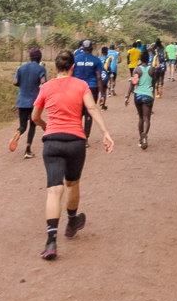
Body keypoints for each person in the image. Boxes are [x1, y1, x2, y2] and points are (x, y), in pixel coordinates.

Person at [31, 50, 114, 260]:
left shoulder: (46, 87)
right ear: (73, 67)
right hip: (76, 141)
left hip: (52, 142)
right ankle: (72, 221)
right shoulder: (81, 85)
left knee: (54, 191)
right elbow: (92, 107)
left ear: (55, 67)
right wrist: (105, 133)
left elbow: (35, 117)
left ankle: (51, 241)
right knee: (73, 183)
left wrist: (44, 126)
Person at [10, 47, 47, 159]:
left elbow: (15, 81)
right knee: (32, 125)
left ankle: (17, 133)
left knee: (23, 126)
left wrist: (23, 85)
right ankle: (27, 149)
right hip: (34, 102)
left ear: (30, 57)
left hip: (21, 100)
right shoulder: (41, 69)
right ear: (40, 57)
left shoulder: (22, 67)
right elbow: (43, 83)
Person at [72, 40, 104, 142]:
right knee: (89, 112)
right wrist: (102, 94)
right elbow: (99, 78)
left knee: (77, 112)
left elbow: (71, 74)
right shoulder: (96, 60)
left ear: (82, 48)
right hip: (92, 88)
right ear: (91, 48)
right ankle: (85, 138)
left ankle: (76, 134)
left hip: (77, 87)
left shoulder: (75, 59)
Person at [125, 46, 156, 149]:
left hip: (138, 95)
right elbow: (153, 83)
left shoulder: (137, 70)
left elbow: (133, 83)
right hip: (148, 95)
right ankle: (145, 135)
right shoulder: (152, 69)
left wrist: (128, 95)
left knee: (141, 118)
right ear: (148, 60)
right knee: (147, 118)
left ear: (141, 60)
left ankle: (140, 139)